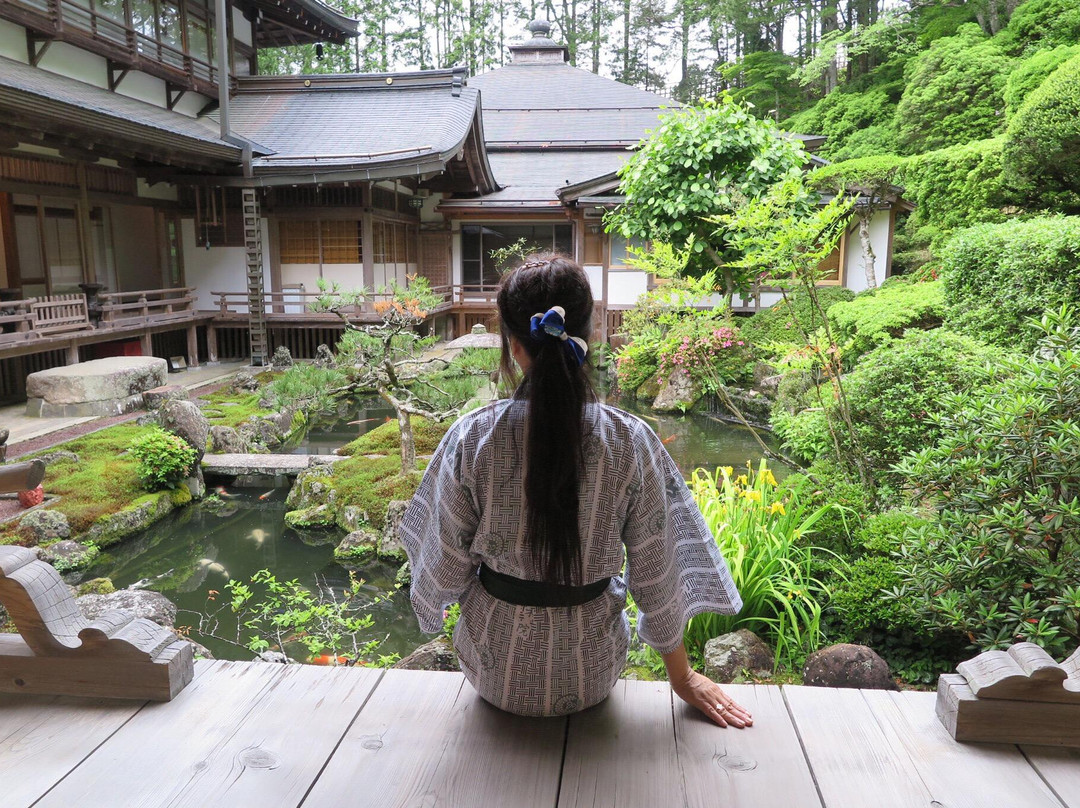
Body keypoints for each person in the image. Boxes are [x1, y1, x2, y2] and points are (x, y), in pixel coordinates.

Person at [400, 256, 752, 728]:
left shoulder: (472, 439)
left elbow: (442, 567)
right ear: (589, 337)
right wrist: (683, 677)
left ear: (514, 346)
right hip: (592, 673)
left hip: (493, 668)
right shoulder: (630, 441)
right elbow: (658, 572)